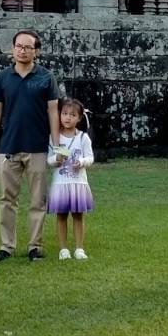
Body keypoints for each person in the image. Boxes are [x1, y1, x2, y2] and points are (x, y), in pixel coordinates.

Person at [0, 29, 60, 261]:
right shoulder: (3, 77)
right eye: (19, 47)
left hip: (37, 147)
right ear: (12, 49)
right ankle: (6, 246)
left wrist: (57, 145)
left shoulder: (46, 77)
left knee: (37, 200)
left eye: (28, 47)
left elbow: (53, 111)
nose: (22, 51)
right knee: (7, 199)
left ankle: (35, 246)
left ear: (37, 51)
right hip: (8, 147)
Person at [47, 97, 95, 260]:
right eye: (65, 113)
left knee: (78, 215)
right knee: (61, 216)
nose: (67, 117)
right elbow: (49, 160)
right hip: (60, 183)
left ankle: (79, 248)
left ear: (79, 118)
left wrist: (81, 162)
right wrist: (56, 159)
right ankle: (63, 249)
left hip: (78, 182)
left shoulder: (83, 138)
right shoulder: (55, 137)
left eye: (72, 115)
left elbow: (90, 157)